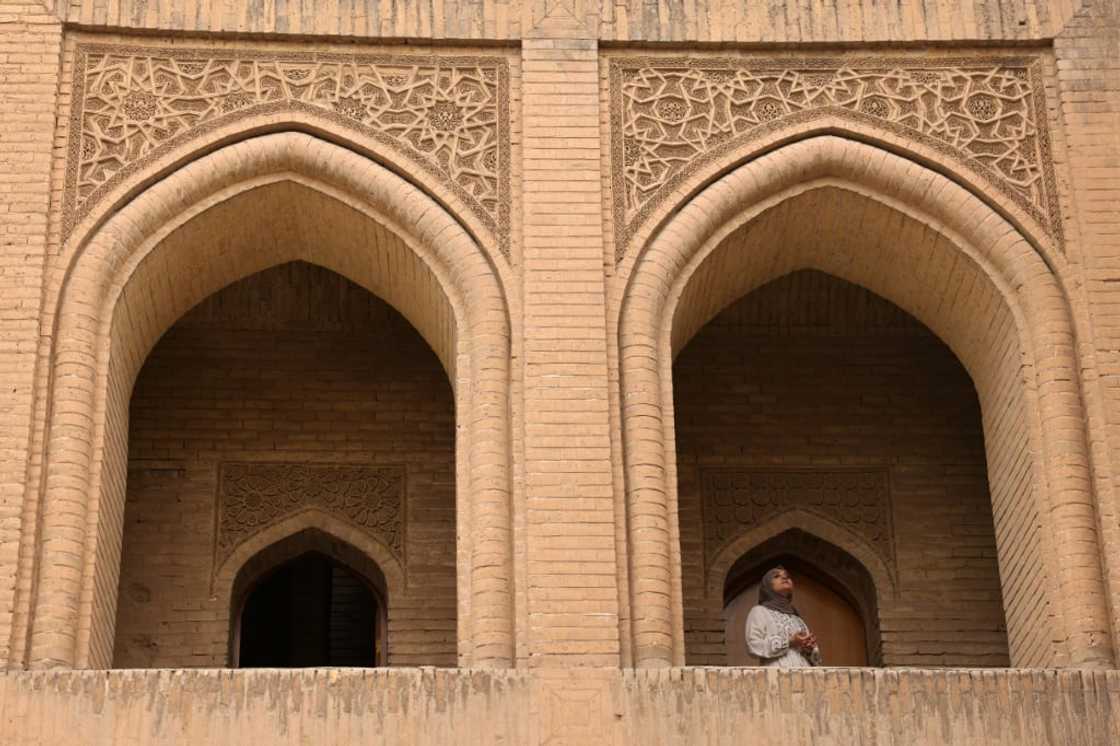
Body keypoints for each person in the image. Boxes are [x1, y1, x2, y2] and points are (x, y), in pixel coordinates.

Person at [745, 565, 822, 667]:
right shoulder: (759, 611)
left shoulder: (796, 617)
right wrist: (789, 642)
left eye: (788, 576)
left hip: (804, 673)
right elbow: (753, 645)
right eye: (777, 576)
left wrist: (808, 649)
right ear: (767, 585)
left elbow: (815, 659)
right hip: (776, 673)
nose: (785, 578)